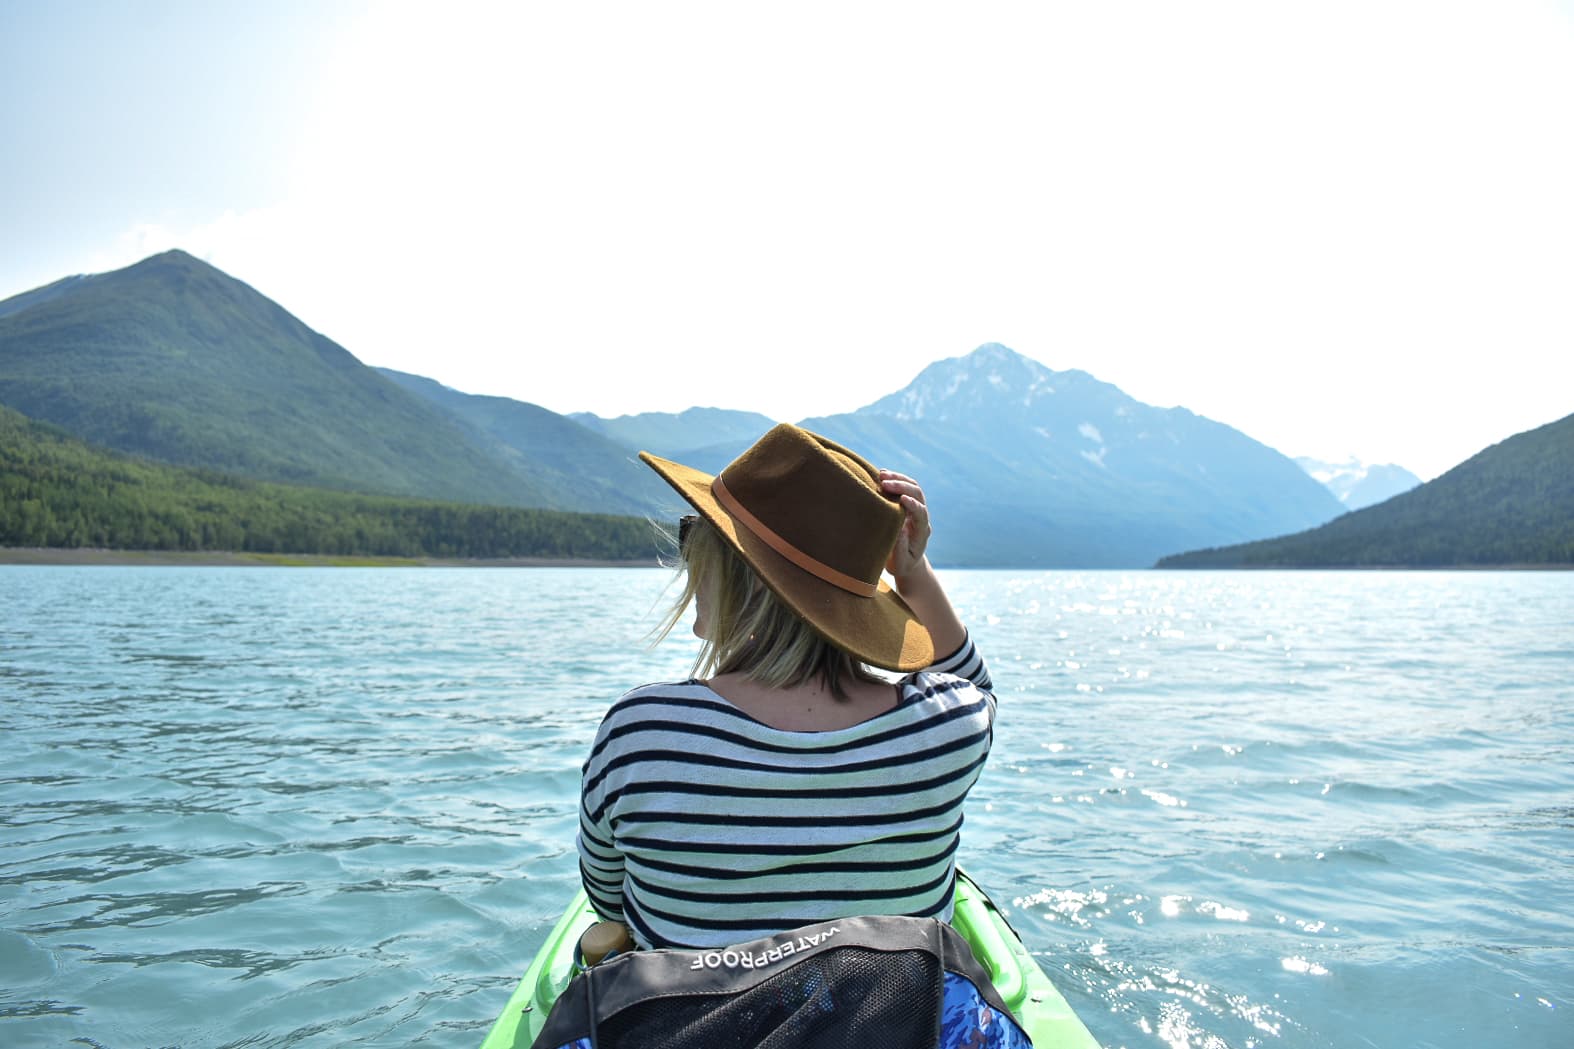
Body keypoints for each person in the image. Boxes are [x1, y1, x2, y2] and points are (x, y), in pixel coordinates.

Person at [576, 423, 996, 951]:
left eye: (699, 532)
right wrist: (912, 573)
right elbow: (976, 689)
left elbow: (608, 899)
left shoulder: (642, 732)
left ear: (736, 573)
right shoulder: (947, 727)